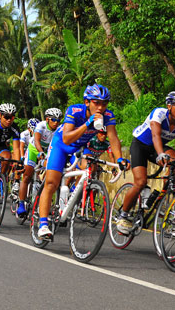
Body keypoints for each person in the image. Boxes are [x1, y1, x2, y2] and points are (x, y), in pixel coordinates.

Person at [37, 84, 128, 239]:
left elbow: (113, 138)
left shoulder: (108, 116)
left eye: (104, 103)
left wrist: (119, 158)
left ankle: (74, 198)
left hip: (80, 148)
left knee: (89, 168)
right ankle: (43, 224)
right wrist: (87, 123)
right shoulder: (75, 110)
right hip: (61, 144)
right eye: (96, 103)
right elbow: (66, 137)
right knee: (51, 183)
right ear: (87, 102)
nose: (100, 107)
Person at [115, 91, 175, 234]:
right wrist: (160, 154)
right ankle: (123, 215)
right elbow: (155, 135)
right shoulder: (159, 113)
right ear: (169, 106)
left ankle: (164, 191)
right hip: (141, 145)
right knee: (140, 182)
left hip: (158, 148)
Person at [16, 109, 62, 218]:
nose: (56, 122)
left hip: (48, 150)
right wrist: (40, 152)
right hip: (34, 149)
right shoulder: (41, 125)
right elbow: (36, 140)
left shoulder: (59, 130)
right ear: (47, 119)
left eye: (58, 120)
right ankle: (21, 203)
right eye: (53, 120)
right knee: (27, 175)